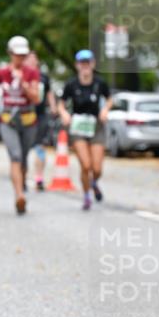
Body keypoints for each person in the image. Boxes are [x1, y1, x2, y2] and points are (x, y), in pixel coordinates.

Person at [0, 35, 41, 215]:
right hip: (8, 120)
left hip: (28, 121)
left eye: (23, 55)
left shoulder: (32, 73)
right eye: (18, 54)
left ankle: (21, 184)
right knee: (15, 156)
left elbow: (36, 98)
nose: (21, 58)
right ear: (10, 53)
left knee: (23, 158)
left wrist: (24, 84)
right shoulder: (2, 73)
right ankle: (19, 195)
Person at [58, 50, 112, 210]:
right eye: (82, 63)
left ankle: (94, 182)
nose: (85, 66)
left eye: (88, 63)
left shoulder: (100, 83)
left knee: (97, 168)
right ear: (77, 65)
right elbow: (61, 103)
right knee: (86, 165)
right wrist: (64, 114)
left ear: (93, 64)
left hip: (96, 126)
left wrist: (105, 110)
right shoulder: (71, 84)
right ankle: (87, 195)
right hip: (78, 126)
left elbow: (110, 99)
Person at [26, 50, 57, 192]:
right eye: (29, 58)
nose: (32, 61)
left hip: (40, 115)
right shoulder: (23, 75)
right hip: (25, 115)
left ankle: (39, 177)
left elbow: (49, 93)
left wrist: (53, 106)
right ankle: (22, 174)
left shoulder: (43, 77)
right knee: (25, 148)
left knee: (40, 146)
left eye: (34, 58)